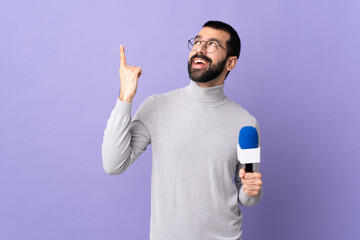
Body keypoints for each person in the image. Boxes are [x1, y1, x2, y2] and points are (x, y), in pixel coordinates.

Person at [102, 20, 263, 240]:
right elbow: (113, 164)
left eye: (212, 44)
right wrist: (125, 97)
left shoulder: (245, 123)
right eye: (197, 42)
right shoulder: (157, 106)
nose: (200, 49)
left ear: (231, 63)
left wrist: (252, 189)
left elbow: (246, 196)